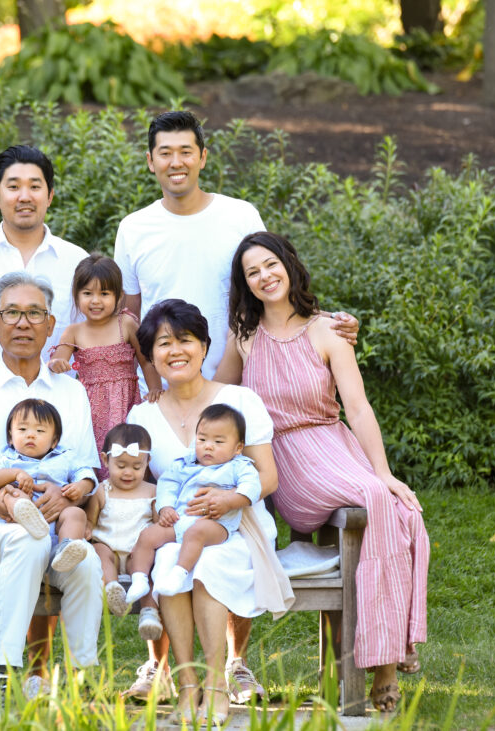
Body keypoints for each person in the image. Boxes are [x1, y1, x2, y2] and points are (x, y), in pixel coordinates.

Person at [114, 109, 358, 701]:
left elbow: (269, 276)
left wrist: (325, 322)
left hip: (237, 367)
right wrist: (146, 374)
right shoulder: (134, 228)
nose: (175, 161)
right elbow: (129, 312)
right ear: (150, 161)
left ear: (202, 156)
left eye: (185, 150)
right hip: (166, 378)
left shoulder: (238, 215)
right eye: (163, 152)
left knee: (235, 502)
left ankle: (236, 663)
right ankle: (161, 665)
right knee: (176, 516)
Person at [218, 231, 429, 713]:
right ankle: (389, 658)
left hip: (336, 444)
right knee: (376, 501)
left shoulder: (328, 330)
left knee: (400, 506)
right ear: (245, 284)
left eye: (271, 264)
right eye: (253, 272)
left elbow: (356, 405)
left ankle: (386, 662)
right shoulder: (245, 336)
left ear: (289, 265)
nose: (265, 276)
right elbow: (216, 394)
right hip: (285, 455)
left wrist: (385, 472)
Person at [0, 271, 103, 702]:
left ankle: (85, 680)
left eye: (34, 314)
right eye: (11, 313)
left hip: (52, 527)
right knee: (24, 542)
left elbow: (86, 470)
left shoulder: (71, 392)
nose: (23, 323)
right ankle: (5, 670)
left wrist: (66, 495)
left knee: (85, 564)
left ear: (50, 325)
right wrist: (2, 495)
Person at [125, 299, 292, 724]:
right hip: (176, 526)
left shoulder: (237, 399)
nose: (175, 350)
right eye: (163, 343)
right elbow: (136, 478)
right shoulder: (142, 412)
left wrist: (227, 500)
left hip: (236, 526)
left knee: (209, 563)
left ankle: (217, 685)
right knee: (167, 561)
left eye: (185, 340)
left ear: (203, 345)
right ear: (151, 355)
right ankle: (186, 684)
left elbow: (266, 476)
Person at [126, 404, 263, 604]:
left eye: (218, 441)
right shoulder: (184, 463)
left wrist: (227, 502)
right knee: (148, 535)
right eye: (202, 439)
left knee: (196, 532)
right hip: (181, 519)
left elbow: (251, 488)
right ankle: (139, 579)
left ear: (238, 447)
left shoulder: (239, 466)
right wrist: (166, 508)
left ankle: (179, 574)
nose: (208, 446)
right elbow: (167, 483)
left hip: (216, 524)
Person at [0, 145, 90, 361]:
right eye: (13, 187)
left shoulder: (77, 262)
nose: (24, 197)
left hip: (59, 392)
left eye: (34, 186)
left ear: (50, 196)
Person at [47, 253, 162, 477]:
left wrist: (156, 388)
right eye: (87, 293)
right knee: (95, 453)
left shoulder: (126, 324)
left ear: (119, 296)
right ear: (76, 295)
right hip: (90, 408)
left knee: (127, 449)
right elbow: (58, 358)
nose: (96, 300)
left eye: (104, 293)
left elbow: (146, 361)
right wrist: (57, 363)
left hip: (125, 402)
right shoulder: (74, 331)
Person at [0, 398, 95, 572]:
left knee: (76, 513)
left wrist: (81, 486)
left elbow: (86, 474)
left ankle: (66, 549)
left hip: (58, 520)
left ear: (54, 441)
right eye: (22, 429)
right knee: (13, 495)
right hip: (21, 527)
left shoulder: (66, 456)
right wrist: (15, 474)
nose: (30, 435)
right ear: (10, 438)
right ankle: (25, 513)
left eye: (40, 430)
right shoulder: (6, 458)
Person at [84, 423, 157, 618]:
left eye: (136, 466)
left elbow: (158, 526)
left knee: (148, 570)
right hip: (110, 549)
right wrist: (88, 528)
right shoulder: (102, 490)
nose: (128, 472)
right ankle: (112, 587)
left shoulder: (152, 491)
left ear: (147, 461)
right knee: (100, 551)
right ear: (105, 460)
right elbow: (91, 520)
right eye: (121, 466)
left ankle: (149, 612)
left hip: (138, 552)